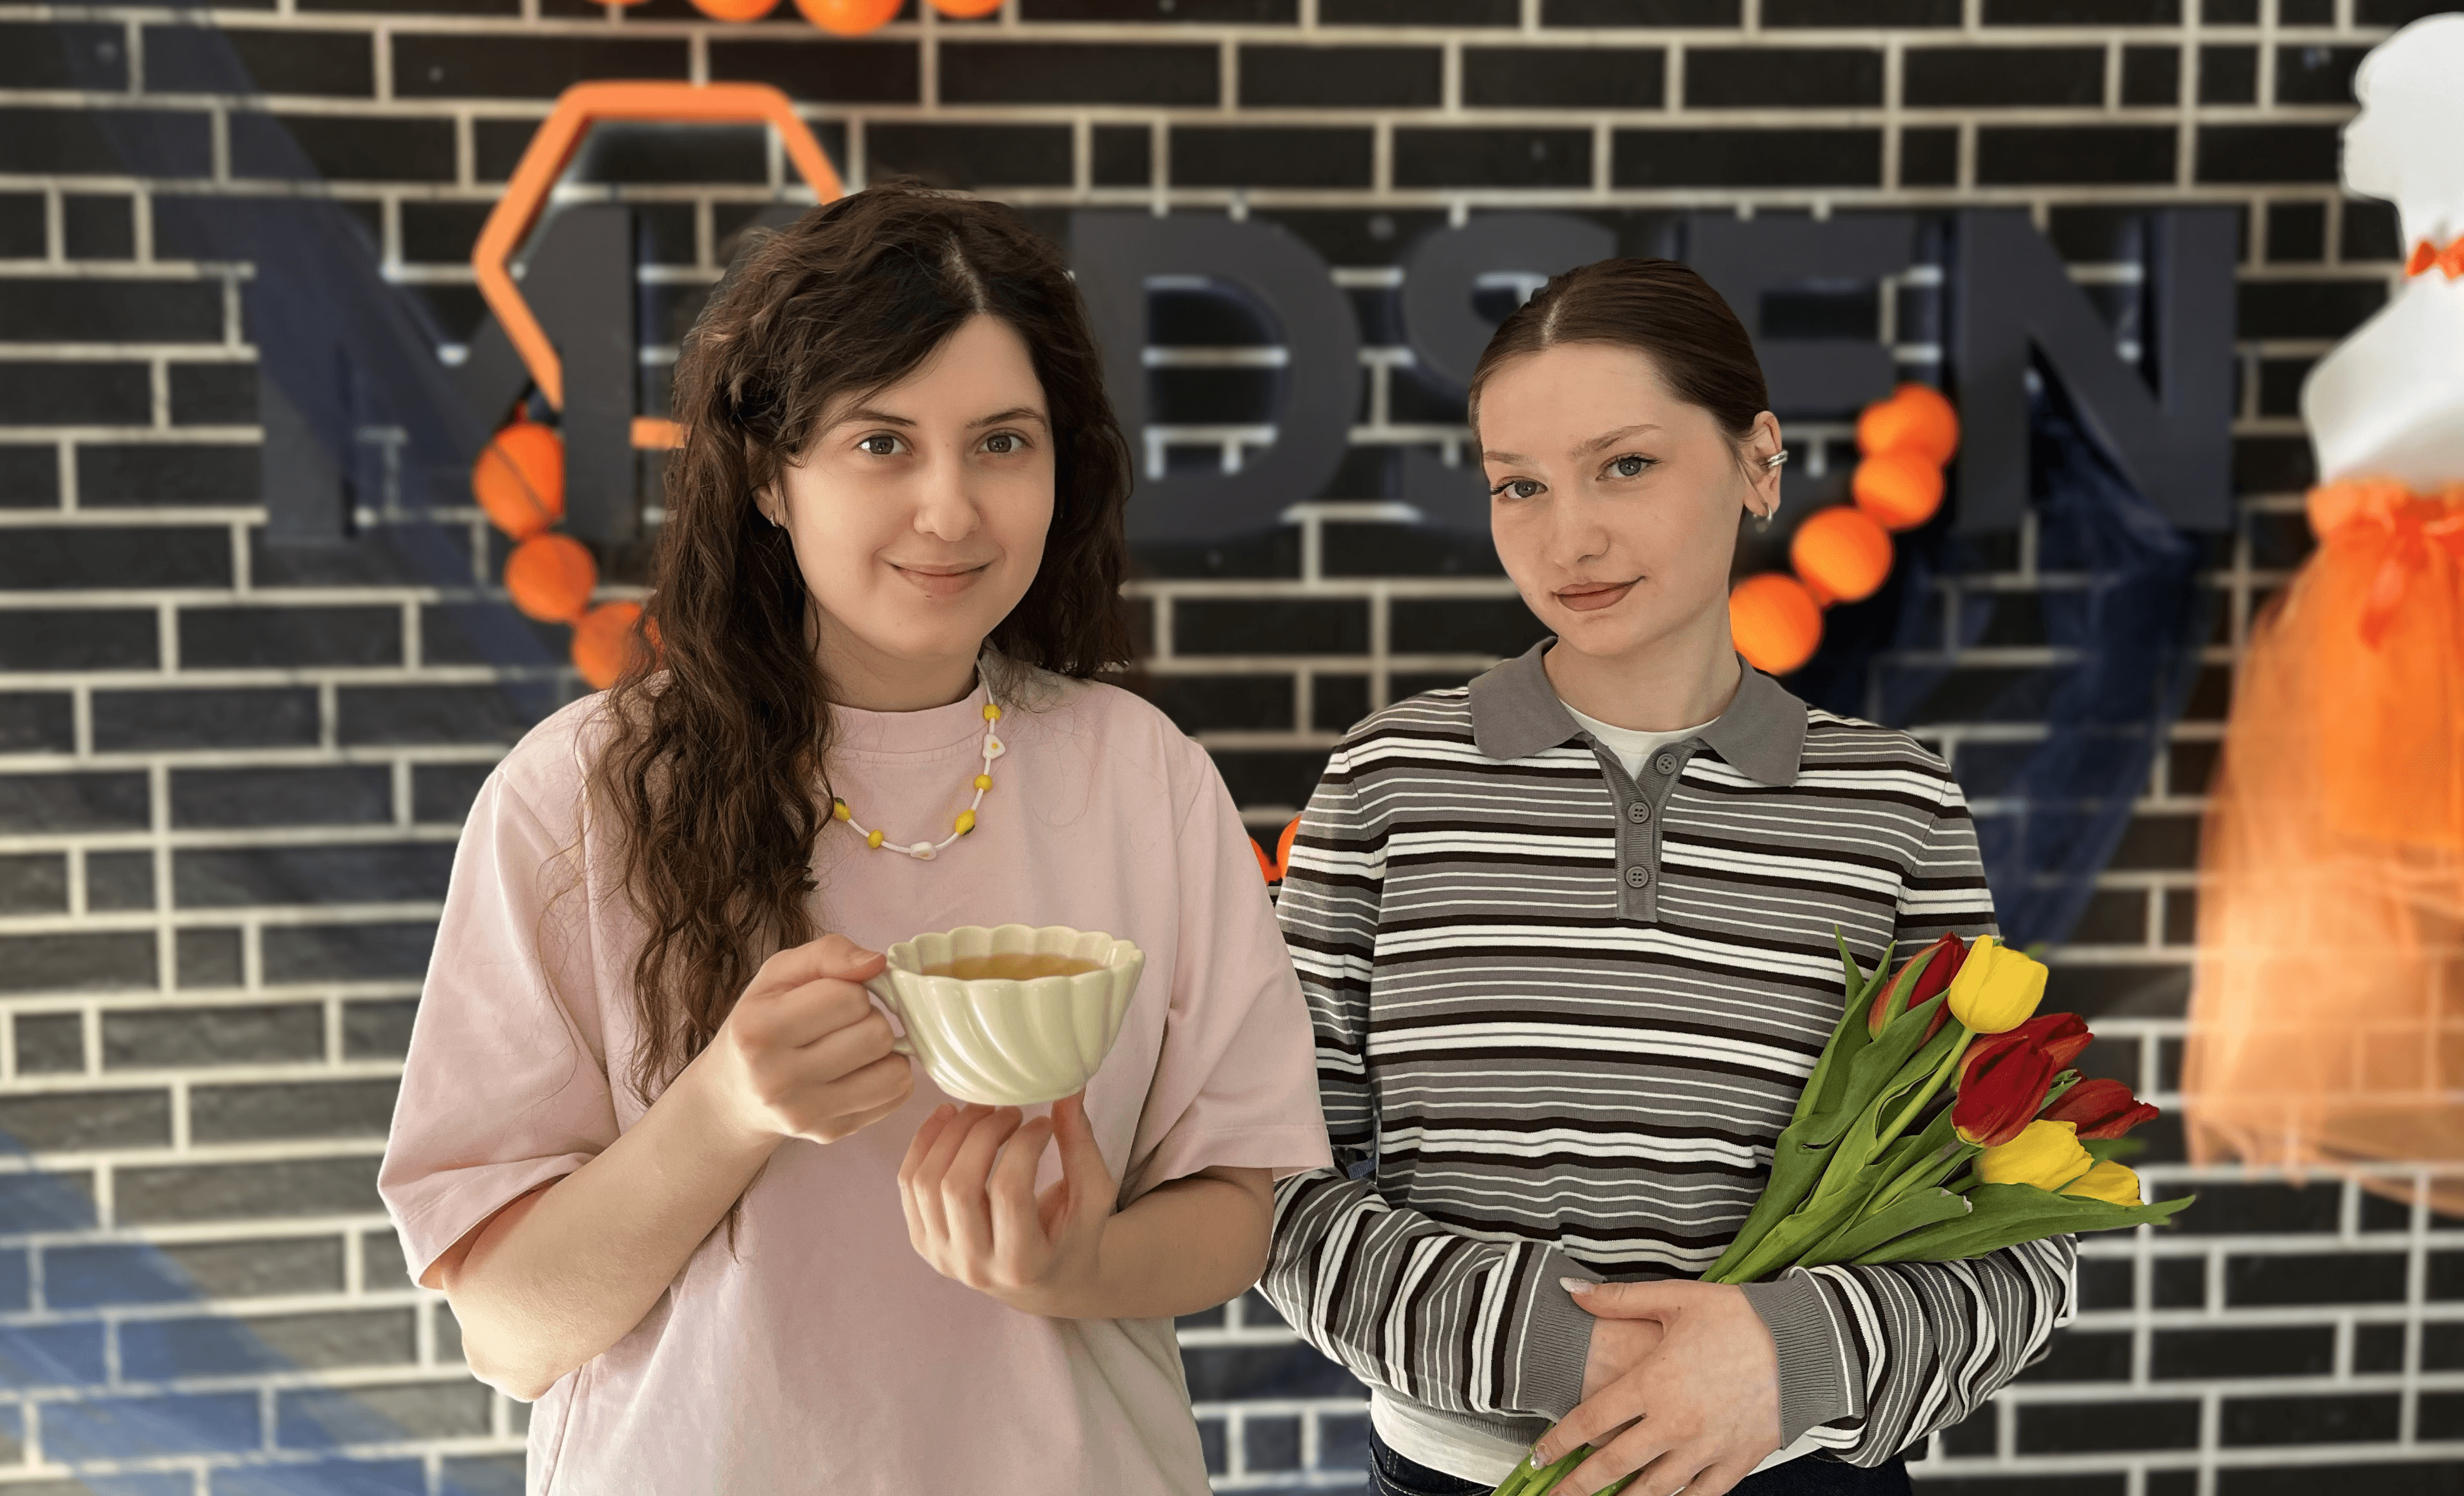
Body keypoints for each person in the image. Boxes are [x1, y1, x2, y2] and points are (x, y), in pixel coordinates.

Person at [376, 184, 1332, 1495]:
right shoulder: (576, 799)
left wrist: (1078, 1265)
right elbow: (509, 1328)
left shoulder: (1143, 776)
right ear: (771, 476)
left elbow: (1236, 1207)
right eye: (883, 444)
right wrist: (723, 1105)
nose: (951, 508)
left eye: (1003, 442)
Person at [1262, 259, 2077, 1496]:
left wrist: (1784, 1360)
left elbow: (2020, 1245)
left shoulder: (1896, 807)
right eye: (1517, 487)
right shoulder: (1388, 784)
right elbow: (1262, 1182)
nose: (1566, 537)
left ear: (1759, 462)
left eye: (1624, 465)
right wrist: (1565, 1350)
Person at [2185, 12, 2464, 1213]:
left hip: (2424, 661)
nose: (2349, 131)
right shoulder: (2425, 293)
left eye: (2374, 104)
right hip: (2358, 672)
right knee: (2351, 952)